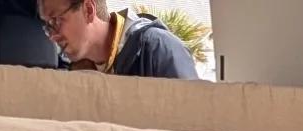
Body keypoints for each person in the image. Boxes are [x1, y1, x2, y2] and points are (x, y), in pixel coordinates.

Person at [38, 0, 199, 79]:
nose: (52, 36)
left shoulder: (159, 49)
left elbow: (193, 124)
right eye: (47, 26)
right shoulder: (72, 74)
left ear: (88, 10)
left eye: (56, 21)